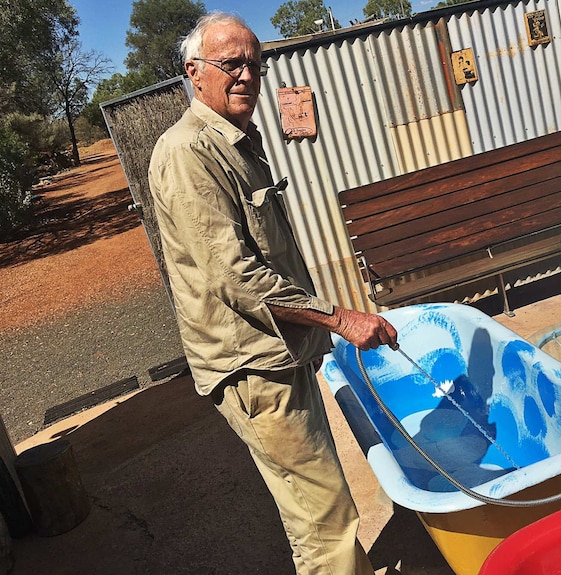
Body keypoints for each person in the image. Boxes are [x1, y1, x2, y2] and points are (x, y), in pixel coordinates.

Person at [148, 11, 397, 575]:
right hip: (253, 367)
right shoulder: (189, 152)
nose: (245, 76)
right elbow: (234, 276)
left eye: (254, 65)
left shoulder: (236, 142)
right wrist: (339, 319)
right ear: (195, 72)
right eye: (229, 63)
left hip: (279, 355)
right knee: (322, 523)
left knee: (323, 504)